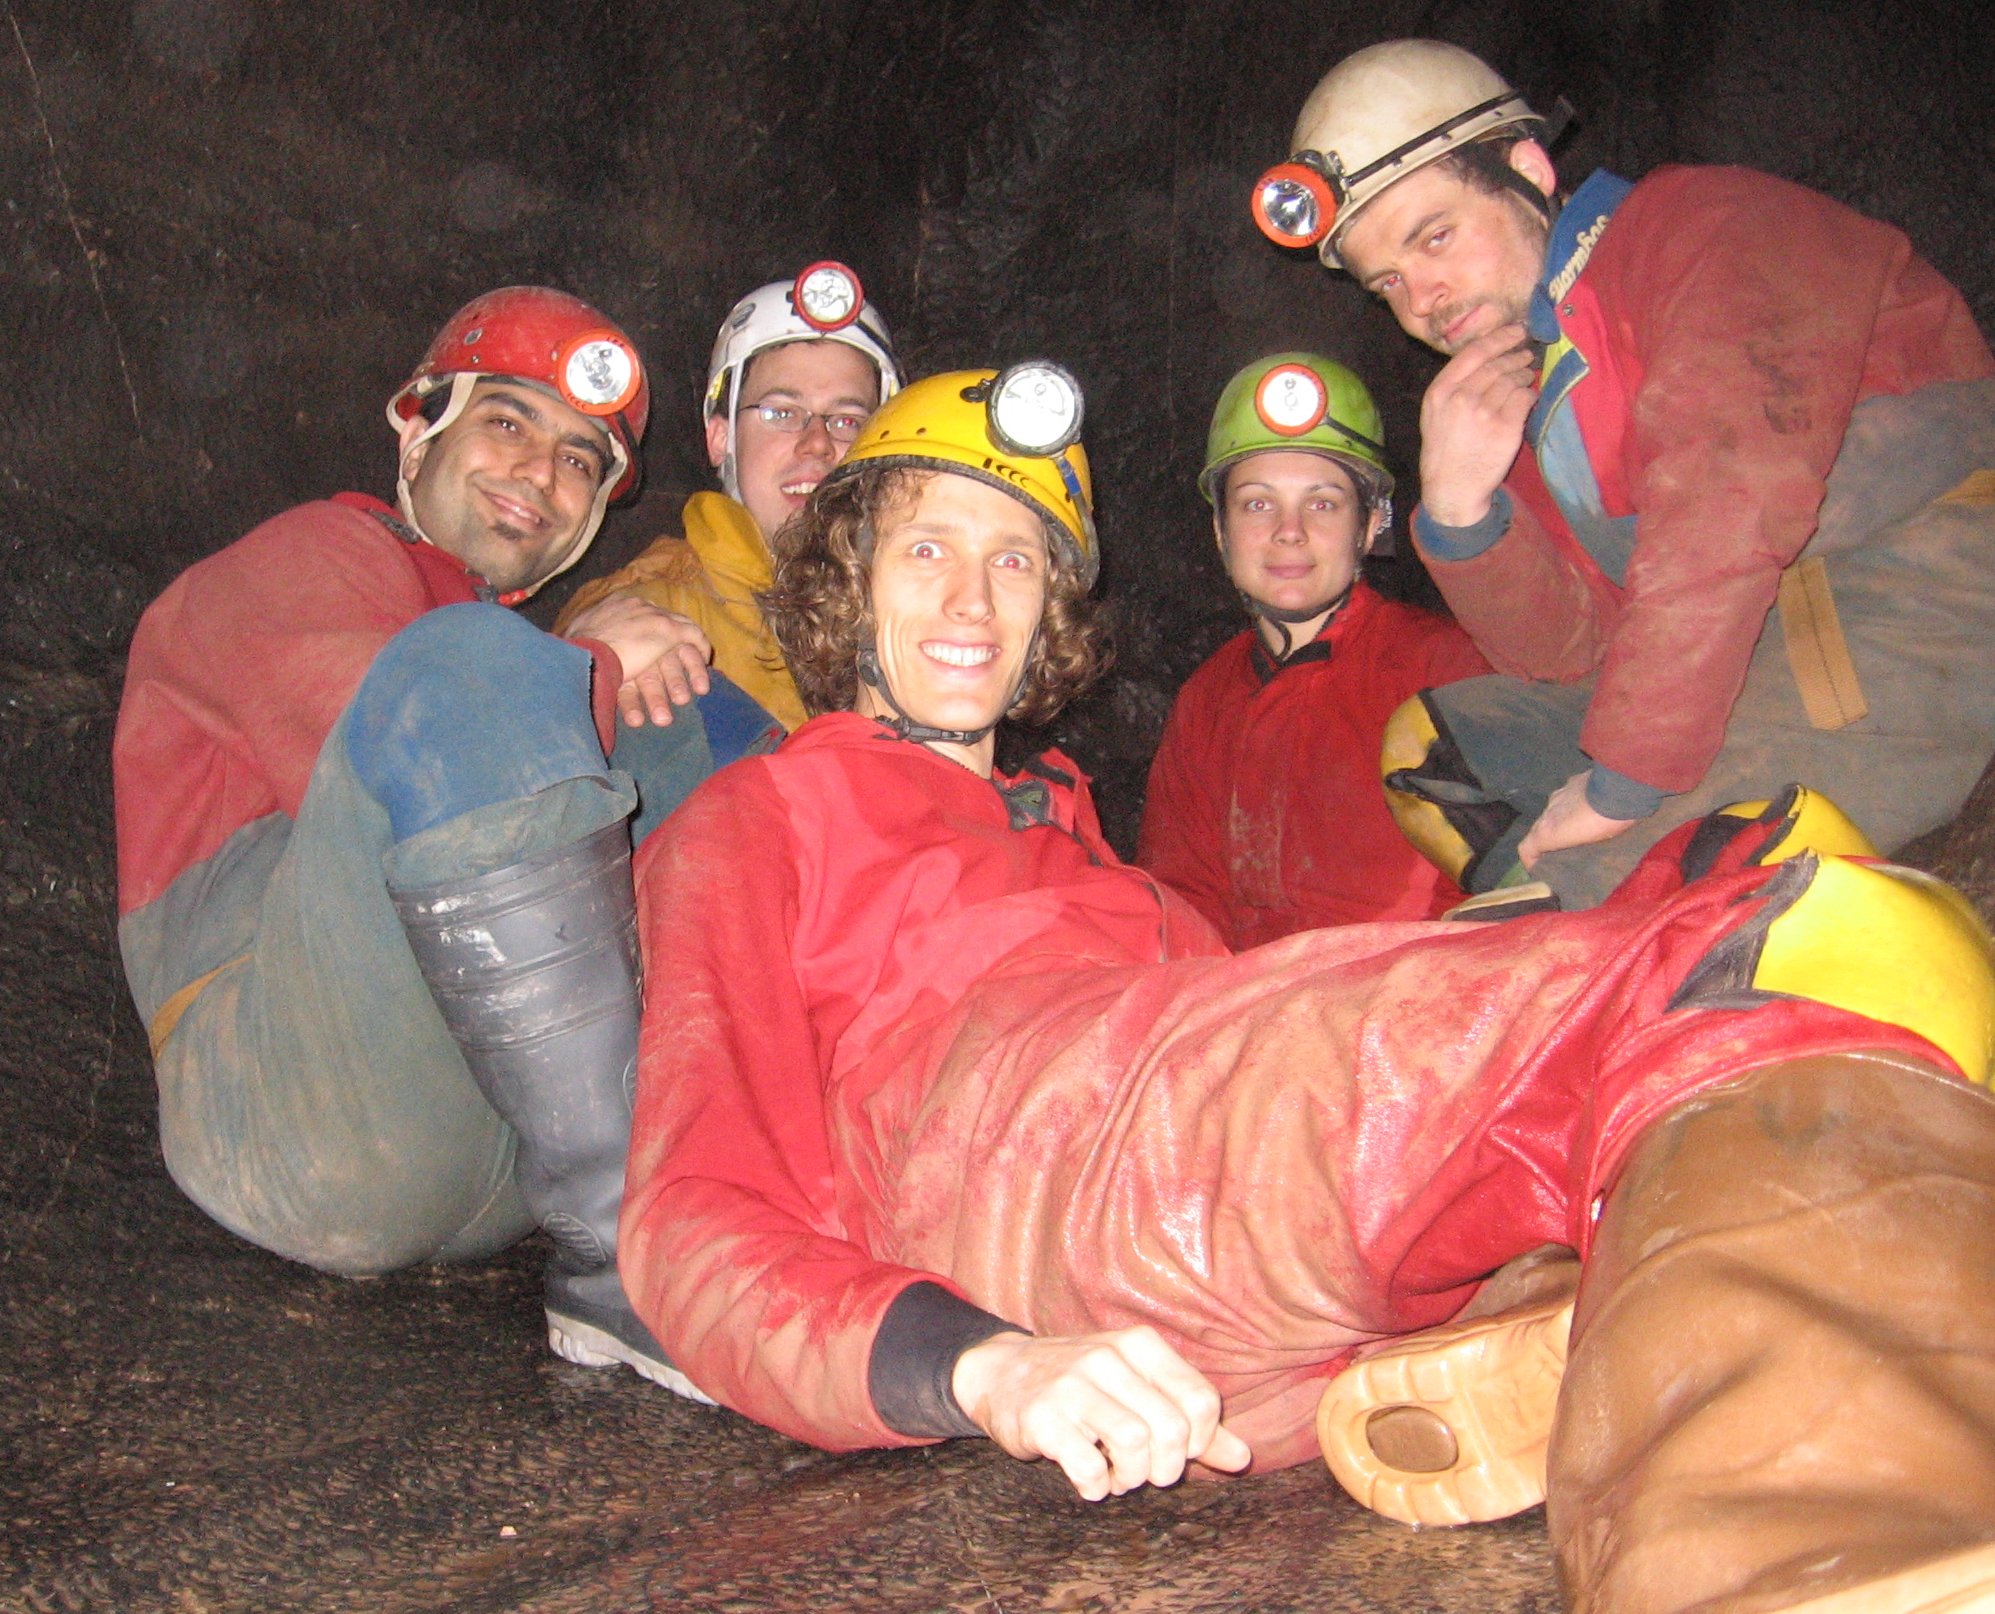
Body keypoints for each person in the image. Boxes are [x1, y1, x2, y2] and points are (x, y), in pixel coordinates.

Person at [619, 366, 1995, 1611]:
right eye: (926, 549)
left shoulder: (1084, 851)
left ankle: (1578, 1328)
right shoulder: (764, 814)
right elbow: (692, 1219)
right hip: (1043, 1140)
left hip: (1210, 1244)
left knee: (1774, 868)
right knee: (1791, 948)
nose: (972, 601)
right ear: (847, 579)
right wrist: (978, 1364)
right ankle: (1818, 1552)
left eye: (1014, 561)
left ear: (1049, 611)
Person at [113, 286, 769, 1398]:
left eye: (579, 460)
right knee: (489, 664)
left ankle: (843, 1150)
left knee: (690, 714)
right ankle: (631, 1262)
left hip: (493, 1150)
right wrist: (587, 659)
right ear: (418, 429)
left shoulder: (485, 637)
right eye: (507, 423)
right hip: (291, 1114)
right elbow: (409, 730)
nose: (540, 473)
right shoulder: (303, 558)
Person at [1250, 39, 1995, 908]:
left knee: (1612, 895)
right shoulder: (1541, 385)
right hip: (1756, 649)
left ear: (1526, 171)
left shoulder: (1702, 227)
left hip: (1915, 596)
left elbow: (1729, 499)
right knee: (1442, 753)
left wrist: (1621, 786)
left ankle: (1615, 918)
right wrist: (1460, 515)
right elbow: (1575, 659)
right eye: (1387, 283)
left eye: (1437, 237)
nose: (1422, 301)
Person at [1138, 353, 1489, 942]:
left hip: (1409, 987)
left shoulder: (1442, 669)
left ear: (1369, 525)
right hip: (1240, 994)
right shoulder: (1207, 700)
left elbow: (1489, 895)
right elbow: (1181, 903)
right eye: (1257, 503)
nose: (1289, 531)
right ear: (1221, 531)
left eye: (1322, 503)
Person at [556, 261, 902, 737]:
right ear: (721, 439)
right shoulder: (652, 614)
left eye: (847, 421)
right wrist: (590, 663)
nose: (818, 444)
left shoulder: (914, 620)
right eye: (782, 412)